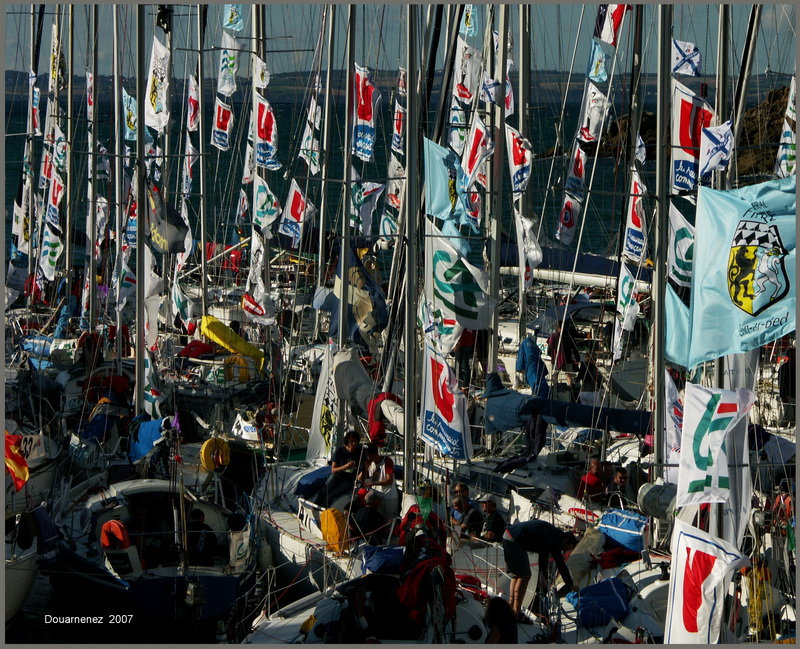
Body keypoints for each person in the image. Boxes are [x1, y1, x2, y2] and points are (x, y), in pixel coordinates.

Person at [502, 519, 577, 623]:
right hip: (515, 540)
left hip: (508, 535)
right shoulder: (555, 540)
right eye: (568, 548)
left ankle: (511, 608)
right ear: (566, 541)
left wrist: (543, 578)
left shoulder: (554, 534)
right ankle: (516, 612)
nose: (566, 550)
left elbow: (543, 557)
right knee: (525, 576)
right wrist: (570, 584)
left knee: (517, 575)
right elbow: (560, 564)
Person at [314, 431, 363, 508]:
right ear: (347, 442)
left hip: (349, 480)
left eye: (355, 442)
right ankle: (314, 506)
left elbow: (364, 466)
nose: (353, 444)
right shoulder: (340, 451)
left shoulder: (359, 452)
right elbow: (333, 470)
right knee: (324, 490)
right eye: (351, 442)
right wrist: (345, 466)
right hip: (337, 476)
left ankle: (323, 509)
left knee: (332, 494)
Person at [358, 443, 399, 518]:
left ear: (373, 454)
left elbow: (389, 480)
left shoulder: (387, 461)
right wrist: (365, 468)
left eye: (368, 456)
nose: (367, 458)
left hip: (388, 497)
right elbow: (360, 480)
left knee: (389, 520)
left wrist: (373, 483)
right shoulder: (369, 464)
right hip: (375, 498)